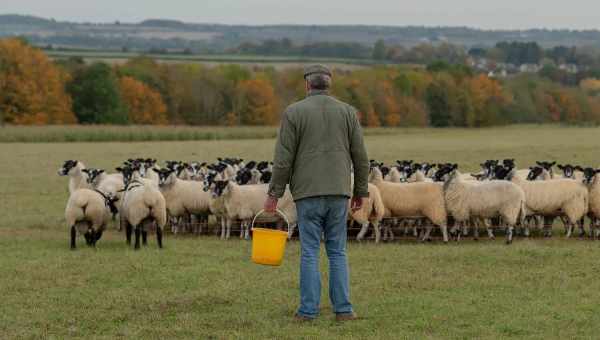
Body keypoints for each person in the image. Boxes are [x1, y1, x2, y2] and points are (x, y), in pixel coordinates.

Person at [264, 64, 369, 322]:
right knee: (337, 251)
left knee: (309, 251)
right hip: (339, 192)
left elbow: (283, 159)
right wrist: (361, 191)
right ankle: (344, 309)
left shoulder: (293, 112)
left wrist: (274, 193)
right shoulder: (347, 112)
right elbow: (361, 157)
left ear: (307, 85)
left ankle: (307, 311)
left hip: (307, 193)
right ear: (328, 85)